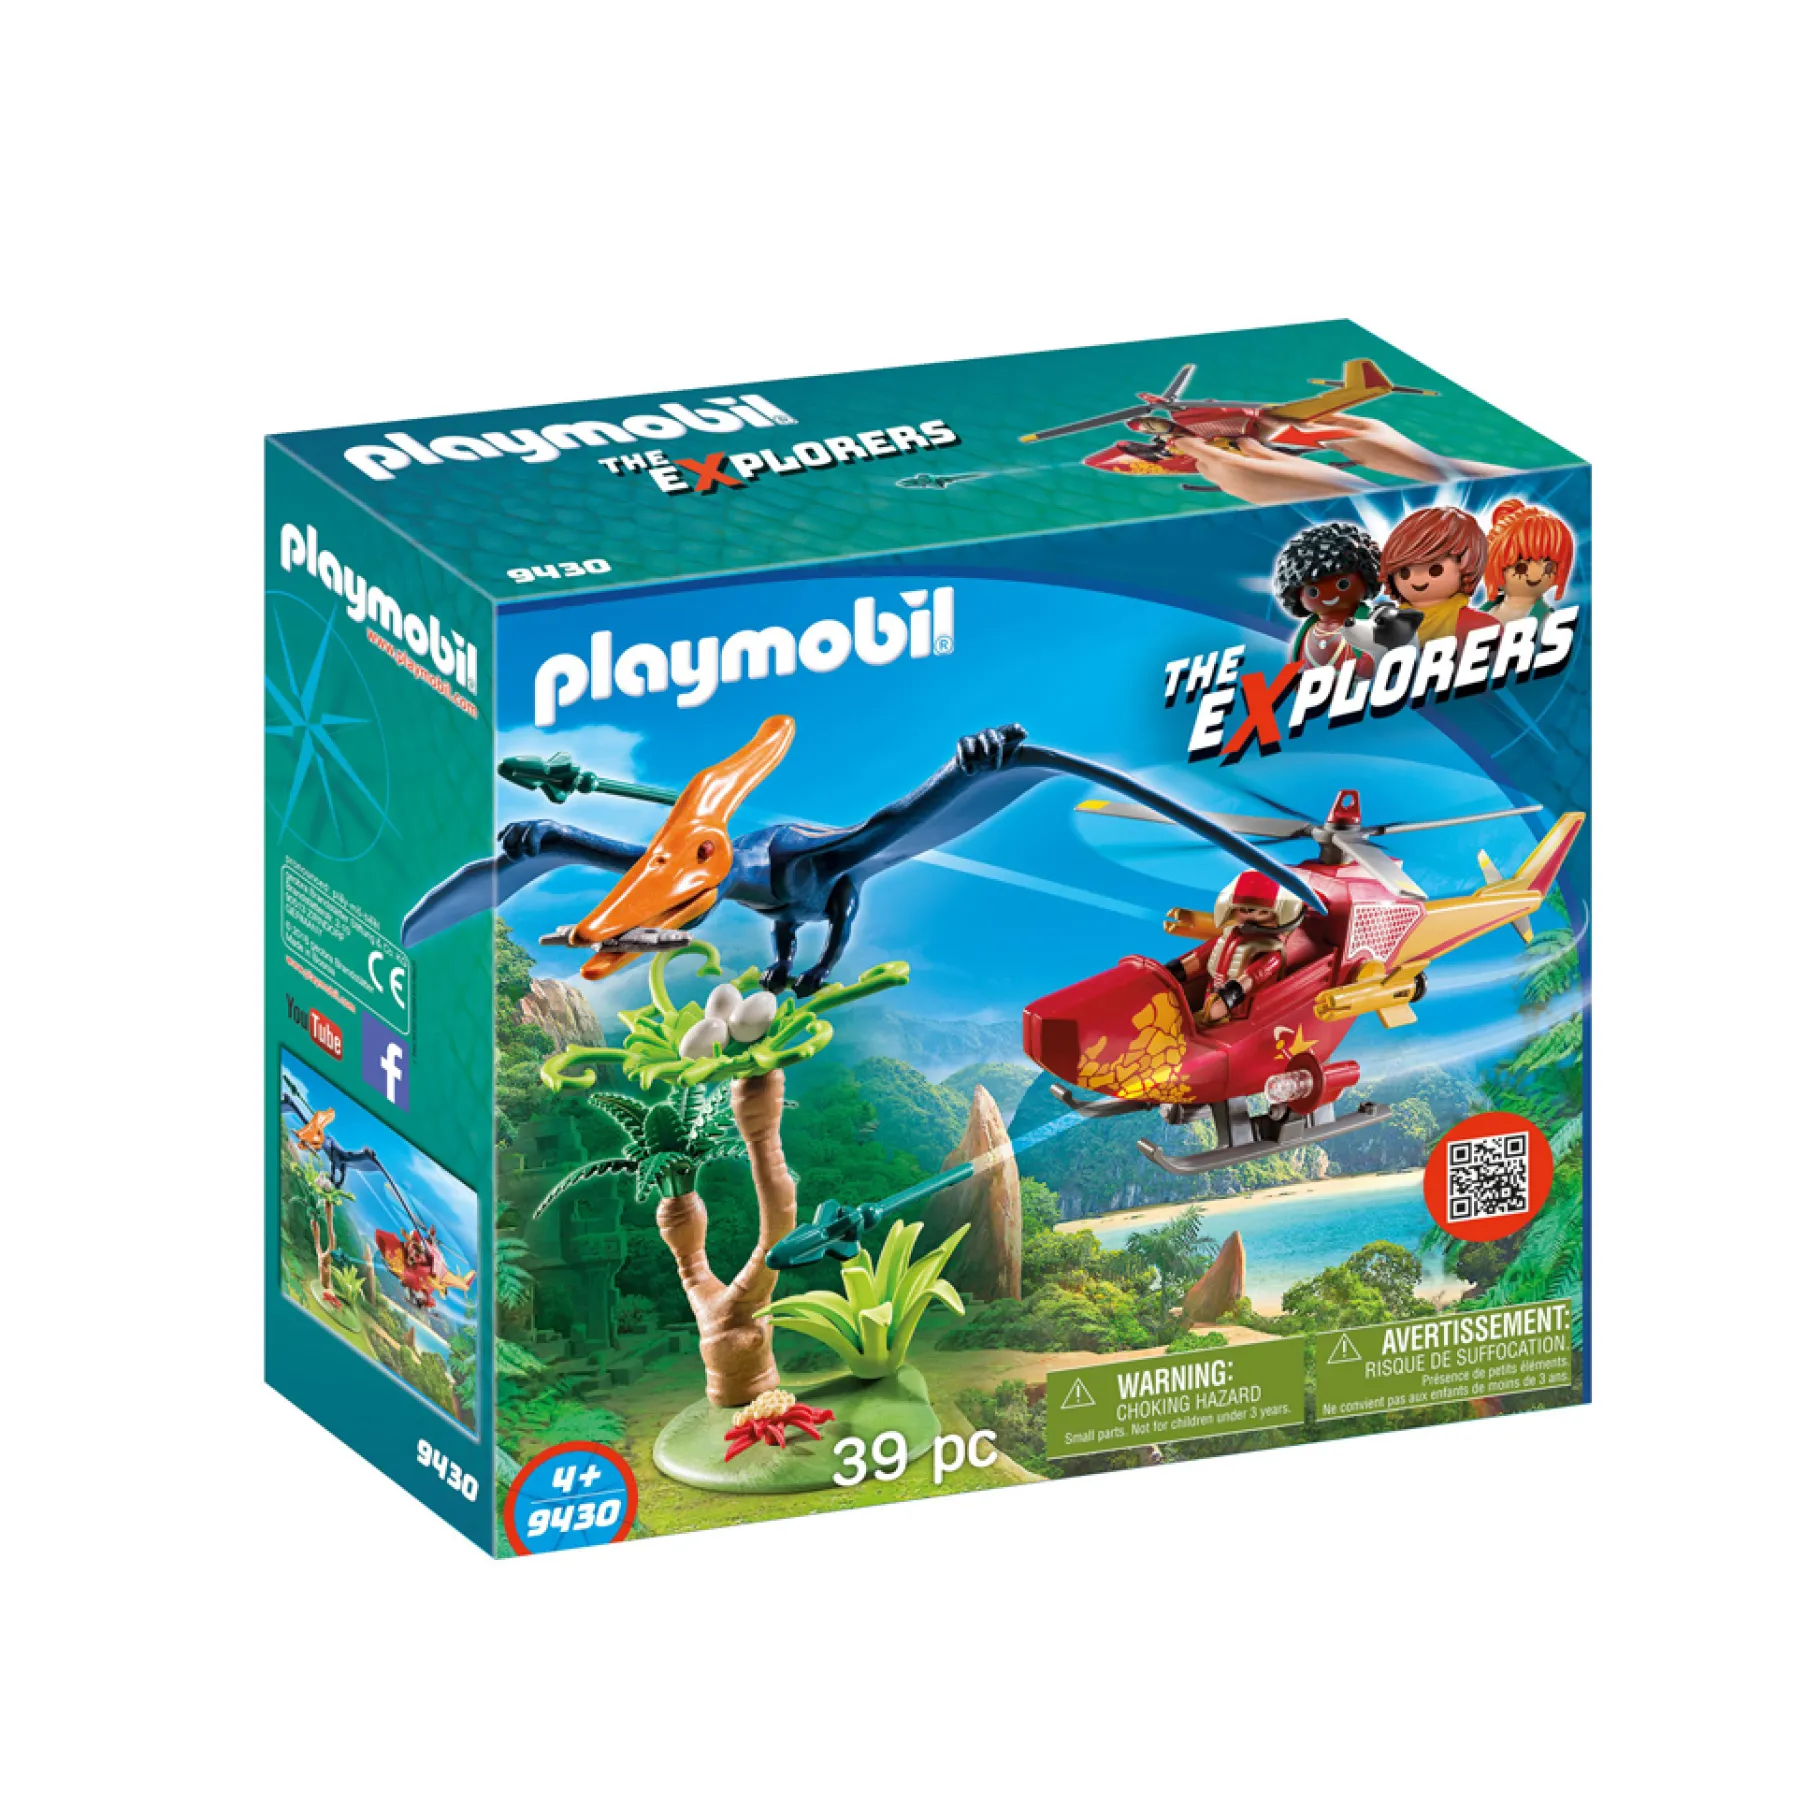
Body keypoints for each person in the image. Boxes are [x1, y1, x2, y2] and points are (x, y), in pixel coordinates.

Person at [1171, 870, 1306, 1027]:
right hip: (1212, 997)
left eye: (1260, 912)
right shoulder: (1229, 937)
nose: (1248, 915)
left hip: (1238, 1011)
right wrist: (1175, 971)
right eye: (1243, 910)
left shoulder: (1271, 953)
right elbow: (1199, 958)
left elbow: (1253, 977)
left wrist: (1230, 996)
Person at [1376, 505, 1499, 644]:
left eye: (1435, 570)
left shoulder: (1479, 626)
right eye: (1405, 572)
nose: (1417, 579)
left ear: (1467, 563)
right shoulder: (1386, 626)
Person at [1273, 521, 1382, 675]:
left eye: (1342, 584)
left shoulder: (1371, 620)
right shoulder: (1305, 632)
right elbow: (1295, 664)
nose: (1330, 596)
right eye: (1313, 592)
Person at [1482, 498, 1575, 623]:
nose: (1535, 575)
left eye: (1548, 568)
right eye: (1521, 568)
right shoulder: (1483, 612)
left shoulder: (1548, 621)